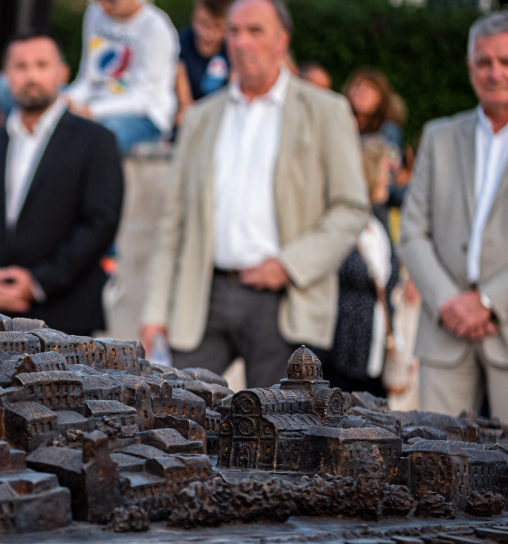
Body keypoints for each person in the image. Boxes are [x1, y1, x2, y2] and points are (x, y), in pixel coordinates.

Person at [139, 0, 368, 389]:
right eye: (233, 31)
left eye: (254, 31)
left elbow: (350, 208)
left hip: (282, 301)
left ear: (282, 40)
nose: (241, 41)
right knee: (177, 417)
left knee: (275, 435)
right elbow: (173, 220)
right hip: (203, 296)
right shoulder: (199, 119)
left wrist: (289, 265)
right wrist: (154, 309)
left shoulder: (326, 111)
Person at [0, 33, 124, 336]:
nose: (31, 75)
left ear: (63, 72)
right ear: (6, 76)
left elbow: (100, 223)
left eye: (41, 65)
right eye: (20, 66)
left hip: (68, 319)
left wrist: (38, 283)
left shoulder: (96, 141)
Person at [399, 11, 508, 419]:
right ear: (470, 67)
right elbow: (411, 231)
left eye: (505, 61)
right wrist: (448, 300)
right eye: (484, 62)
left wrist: (488, 302)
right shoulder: (438, 136)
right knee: (439, 464)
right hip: (444, 331)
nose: (494, 72)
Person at [323, 138, 401, 396]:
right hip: (341, 350)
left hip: (377, 348)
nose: (389, 179)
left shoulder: (380, 217)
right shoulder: (339, 217)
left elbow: (389, 276)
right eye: (384, 172)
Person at [64, 0, 179, 153]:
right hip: (96, 104)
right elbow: (88, 77)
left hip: (145, 116)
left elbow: (141, 98)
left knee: (98, 138)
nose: (103, 5)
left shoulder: (156, 28)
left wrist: (90, 111)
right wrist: (68, 98)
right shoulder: (95, 12)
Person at [176, 0, 231, 126]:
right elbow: (185, 104)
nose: (208, 33)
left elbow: (233, 90)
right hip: (190, 113)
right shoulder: (182, 43)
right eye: (203, 23)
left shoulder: (231, 49)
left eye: (217, 26)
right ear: (193, 18)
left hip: (220, 114)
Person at [343, 68, 406, 155]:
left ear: (381, 97)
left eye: (370, 87)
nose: (362, 90)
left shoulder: (389, 130)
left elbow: (390, 165)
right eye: (357, 85)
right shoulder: (339, 124)